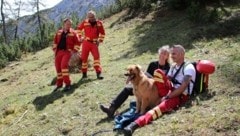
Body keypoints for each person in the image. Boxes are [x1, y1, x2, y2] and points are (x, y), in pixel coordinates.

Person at [123, 45, 196, 135]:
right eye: (171, 54)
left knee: (159, 108)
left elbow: (183, 87)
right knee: (158, 72)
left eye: (174, 54)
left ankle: (135, 124)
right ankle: (151, 100)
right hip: (171, 89)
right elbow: (166, 80)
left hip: (180, 95)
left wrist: (168, 96)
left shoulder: (189, 67)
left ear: (181, 54)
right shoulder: (173, 66)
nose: (171, 56)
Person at [100, 45, 171, 118]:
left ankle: (143, 108)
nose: (162, 55)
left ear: (167, 57)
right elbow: (147, 77)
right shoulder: (153, 64)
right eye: (161, 53)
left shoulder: (168, 67)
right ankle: (111, 108)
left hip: (155, 90)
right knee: (127, 89)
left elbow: (166, 81)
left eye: (165, 54)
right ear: (159, 54)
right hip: (145, 86)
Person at [52, 18, 81, 92]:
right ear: (64, 24)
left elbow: (78, 43)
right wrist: (55, 50)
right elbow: (55, 42)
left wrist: (74, 51)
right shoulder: (59, 32)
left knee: (63, 67)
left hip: (67, 52)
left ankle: (68, 84)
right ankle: (59, 84)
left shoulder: (73, 32)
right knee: (58, 68)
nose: (69, 25)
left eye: (70, 24)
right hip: (58, 52)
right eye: (67, 24)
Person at [76, 10, 105, 80]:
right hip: (86, 43)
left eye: (92, 17)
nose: (91, 18)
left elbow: (103, 33)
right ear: (87, 17)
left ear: (95, 16)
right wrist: (80, 37)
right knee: (84, 59)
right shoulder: (85, 22)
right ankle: (84, 75)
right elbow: (79, 29)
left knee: (96, 58)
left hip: (94, 43)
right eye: (89, 17)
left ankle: (98, 73)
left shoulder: (99, 23)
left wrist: (100, 40)